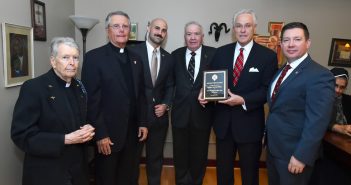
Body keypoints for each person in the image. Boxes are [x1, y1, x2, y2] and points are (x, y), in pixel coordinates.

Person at [199, 9, 277, 185]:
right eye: (239, 26)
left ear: (254, 27)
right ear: (234, 29)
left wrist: (242, 100)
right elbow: (211, 78)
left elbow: (267, 90)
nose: (243, 30)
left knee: (250, 175)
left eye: (247, 26)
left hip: (249, 126)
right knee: (223, 174)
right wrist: (203, 93)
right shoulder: (220, 52)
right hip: (223, 125)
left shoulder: (268, 57)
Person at [11, 37, 95, 185]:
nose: (72, 63)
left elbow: (80, 119)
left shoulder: (79, 87)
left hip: (78, 171)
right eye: (65, 57)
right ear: (53, 61)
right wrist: (65, 139)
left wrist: (88, 127)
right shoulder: (34, 88)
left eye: (75, 58)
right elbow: (21, 135)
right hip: (48, 173)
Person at [81, 11, 148, 185]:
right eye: (116, 26)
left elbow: (140, 94)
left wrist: (143, 122)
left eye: (125, 26)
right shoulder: (94, 58)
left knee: (129, 176)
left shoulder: (137, 58)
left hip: (133, 134)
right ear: (107, 30)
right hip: (108, 135)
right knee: (107, 178)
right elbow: (91, 100)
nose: (121, 30)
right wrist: (100, 134)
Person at [265, 22, 335, 185]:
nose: (290, 44)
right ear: (281, 44)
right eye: (286, 40)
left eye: (297, 39)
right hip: (275, 150)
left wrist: (301, 156)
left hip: (294, 155)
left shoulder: (320, 75)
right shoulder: (282, 70)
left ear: (308, 43)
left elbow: (318, 121)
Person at [129, 18, 174, 185]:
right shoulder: (132, 52)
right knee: (132, 160)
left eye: (163, 30)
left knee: (155, 159)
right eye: (157, 28)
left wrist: (166, 104)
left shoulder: (168, 58)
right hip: (136, 118)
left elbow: (170, 86)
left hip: (158, 119)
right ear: (148, 28)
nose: (159, 32)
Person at [171, 21, 216, 185]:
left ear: (202, 36)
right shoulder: (175, 55)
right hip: (179, 115)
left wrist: (210, 95)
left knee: (199, 154)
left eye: (196, 34)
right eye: (189, 34)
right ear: (184, 37)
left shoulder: (213, 54)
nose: (192, 37)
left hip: (203, 114)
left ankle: (197, 182)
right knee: (180, 154)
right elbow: (169, 84)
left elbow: (219, 83)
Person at [329, 67, 351, 136]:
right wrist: (337, 128)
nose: (338, 90)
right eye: (335, 85)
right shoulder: (318, 99)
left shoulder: (348, 100)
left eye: (342, 87)